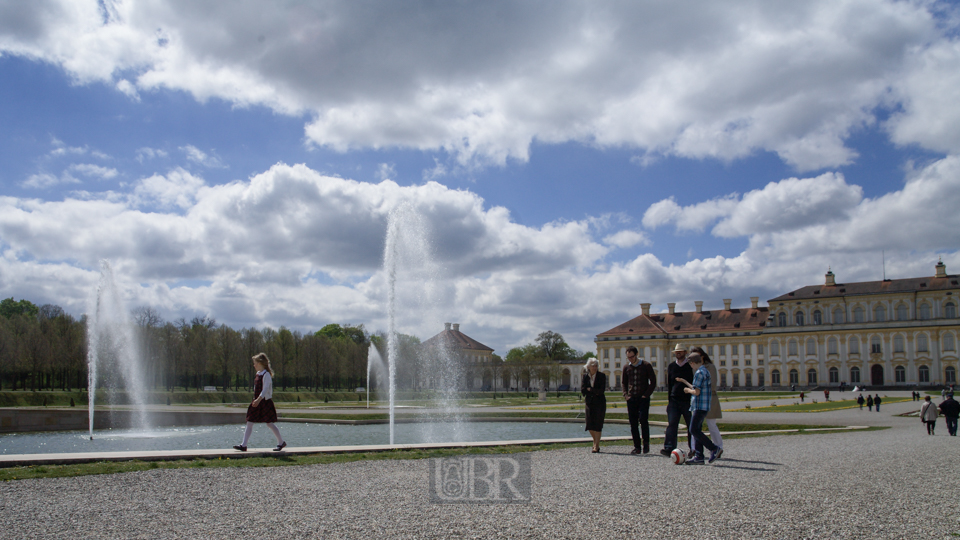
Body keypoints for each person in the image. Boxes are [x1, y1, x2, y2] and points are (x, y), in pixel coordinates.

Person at [234, 353, 287, 452]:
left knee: (269, 423)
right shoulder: (258, 374)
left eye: (255, 363)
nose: (254, 365)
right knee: (250, 422)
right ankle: (243, 445)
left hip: (264, 402)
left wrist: (258, 400)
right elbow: (256, 389)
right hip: (257, 401)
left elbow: (265, 389)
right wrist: (255, 399)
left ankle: (281, 442)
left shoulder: (266, 375)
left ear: (260, 363)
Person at [675, 352, 721, 464]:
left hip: (699, 406)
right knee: (696, 430)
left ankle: (714, 448)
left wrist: (687, 391)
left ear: (692, 363)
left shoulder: (699, 373)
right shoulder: (705, 371)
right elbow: (696, 386)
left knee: (693, 430)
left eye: (690, 364)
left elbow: (696, 391)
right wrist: (685, 382)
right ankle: (699, 456)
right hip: (704, 406)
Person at [621, 346, 656, 454]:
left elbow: (653, 381)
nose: (630, 359)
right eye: (628, 357)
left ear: (636, 355)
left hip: (643, 398)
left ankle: (646, 445)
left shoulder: (646, 365)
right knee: (633, 423)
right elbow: (624, 383)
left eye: (632, 356)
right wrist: (625, 395)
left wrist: (646, 394)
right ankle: (637, 447)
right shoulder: (626, 367)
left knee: (643, 421)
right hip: (631, 398)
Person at [661, 344, 693, 457]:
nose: (678, 353)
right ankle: (669, 447)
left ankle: (693, 448)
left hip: (687, 400)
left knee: (691, 425)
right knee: (672, 425)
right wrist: (669, 401)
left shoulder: (690, 366)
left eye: (680, 351)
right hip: (674, 400)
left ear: (685, 352)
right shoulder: (671, 366)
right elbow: (670, 384)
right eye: (676, 352)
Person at [692, 346, 723, 453]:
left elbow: (712, 385)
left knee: (711, 425)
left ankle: (719, 447)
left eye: (697, 356)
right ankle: (694, 450)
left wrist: (697, 390)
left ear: (703, 356)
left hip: (709, 399)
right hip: (697, 400)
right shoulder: (694, 368)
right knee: (695, 427)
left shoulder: (710, 367)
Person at [582, 358, 607, 453]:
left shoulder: (602, 376)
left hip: (600, 403)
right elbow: (583, 389)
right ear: (588, 367)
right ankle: (595, 440)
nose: (595, 367)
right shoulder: (585, 376)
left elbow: (601, 391)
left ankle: (596, 446)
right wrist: (591, 390)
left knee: (598, 424)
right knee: (589, 424)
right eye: (593, 366)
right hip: (589, 403)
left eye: (596, 365)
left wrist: (590, 389)